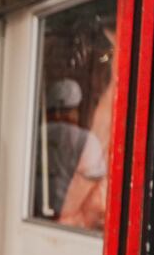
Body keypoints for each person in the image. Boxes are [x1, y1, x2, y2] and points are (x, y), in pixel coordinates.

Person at [40, 78, 108, 225]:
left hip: (38, 218)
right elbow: (96, 186)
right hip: (71, 223)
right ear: (75, 110)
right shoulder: (87, 140)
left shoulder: (35, 136)